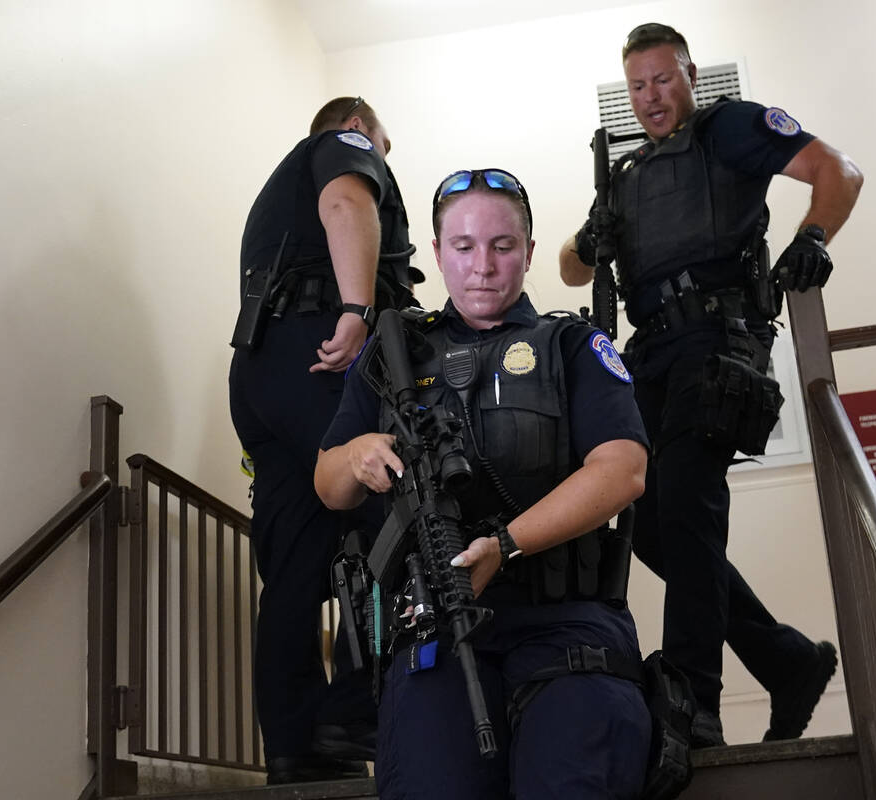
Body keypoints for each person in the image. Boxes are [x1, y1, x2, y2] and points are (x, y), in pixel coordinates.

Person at [559, 23, 864, 747]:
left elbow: (838, 170)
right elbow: (573, 266)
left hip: (717, 342)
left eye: (664, 80)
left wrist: (814, 236)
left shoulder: (729, 127)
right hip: (649, 356)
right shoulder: (627, 177)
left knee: (689, 508)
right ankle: (786, 660)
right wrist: (589, 240)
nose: (651, 97)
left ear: (691, 75)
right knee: (656, 531)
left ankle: (694, 703)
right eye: (638, 86)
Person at [315, 169, 653, 799]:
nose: (483, 266)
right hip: (436, 626)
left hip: (565, 623)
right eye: (464, 247)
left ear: (528, 250)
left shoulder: (572, 346)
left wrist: (508, 544)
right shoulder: (393, 355)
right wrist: (356, 454)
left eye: (502, 246)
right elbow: (329, 483)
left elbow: (622, 470)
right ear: (438, 254)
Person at [228, 96, 419, 784]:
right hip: (320, 352)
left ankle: (293, 750)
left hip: (260, 371)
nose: (380, 165)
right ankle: (352, 706)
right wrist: (359, 310)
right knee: (397, 509)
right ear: (362, 127)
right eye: (384, 149)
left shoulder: (276, 198)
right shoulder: (345, 145)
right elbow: (347, 204)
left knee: (296, 563)